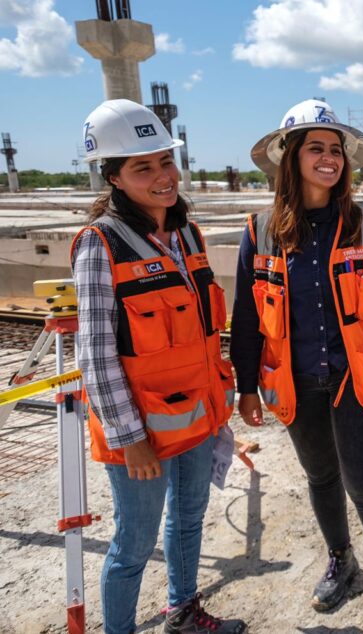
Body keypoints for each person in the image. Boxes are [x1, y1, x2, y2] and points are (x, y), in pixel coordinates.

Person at [231, 99, 363, 633]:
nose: (329, 158)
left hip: (356, 380)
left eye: (336, 150)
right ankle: (343, 560)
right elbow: (246, 315)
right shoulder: (259, 231)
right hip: (294, 383)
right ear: (291, 157)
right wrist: (245, 385)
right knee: (321, 478)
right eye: (317, 148)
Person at [72, 100, 246, 634]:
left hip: (196, 414)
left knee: (189, 520)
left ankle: (183, 611)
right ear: (114, 178)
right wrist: (130, 438)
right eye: (142, 167)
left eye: (165, 161)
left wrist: (220, 408)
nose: (162, 177)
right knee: (132, 544)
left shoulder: (187, 235)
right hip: (141, 430)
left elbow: (201, 335)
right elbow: (96, 354)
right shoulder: (100, 246)